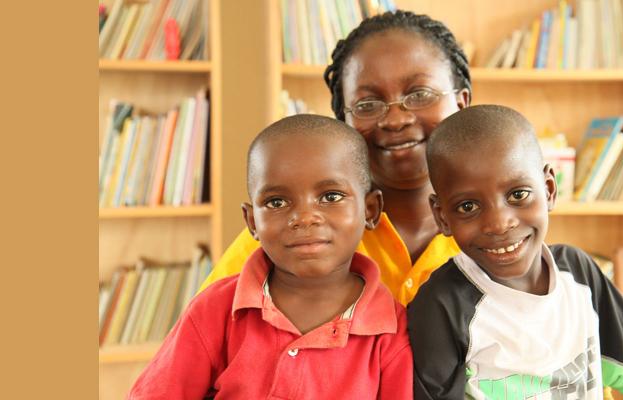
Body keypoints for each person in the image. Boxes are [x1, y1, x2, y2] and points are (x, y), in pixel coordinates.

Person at [408, 105, 623, 400]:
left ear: (549, 189)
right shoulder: (441, 306)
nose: (499, 224)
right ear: (442, 216)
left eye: (518, 194)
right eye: (468, 207)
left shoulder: (577, 273)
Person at [198, 10, 471, 306]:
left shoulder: (503, 220)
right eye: (367, 103)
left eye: (420, 94)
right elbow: (201, 336)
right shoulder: (289, 232)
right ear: (343, 121)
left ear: (461, 102)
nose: (395, 120)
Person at [128, 115, 412, 399]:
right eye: (277, 202)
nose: (304, 218)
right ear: (252, 221)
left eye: (331, 196)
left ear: (370, 210)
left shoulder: (392, 332)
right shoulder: (215, 310)